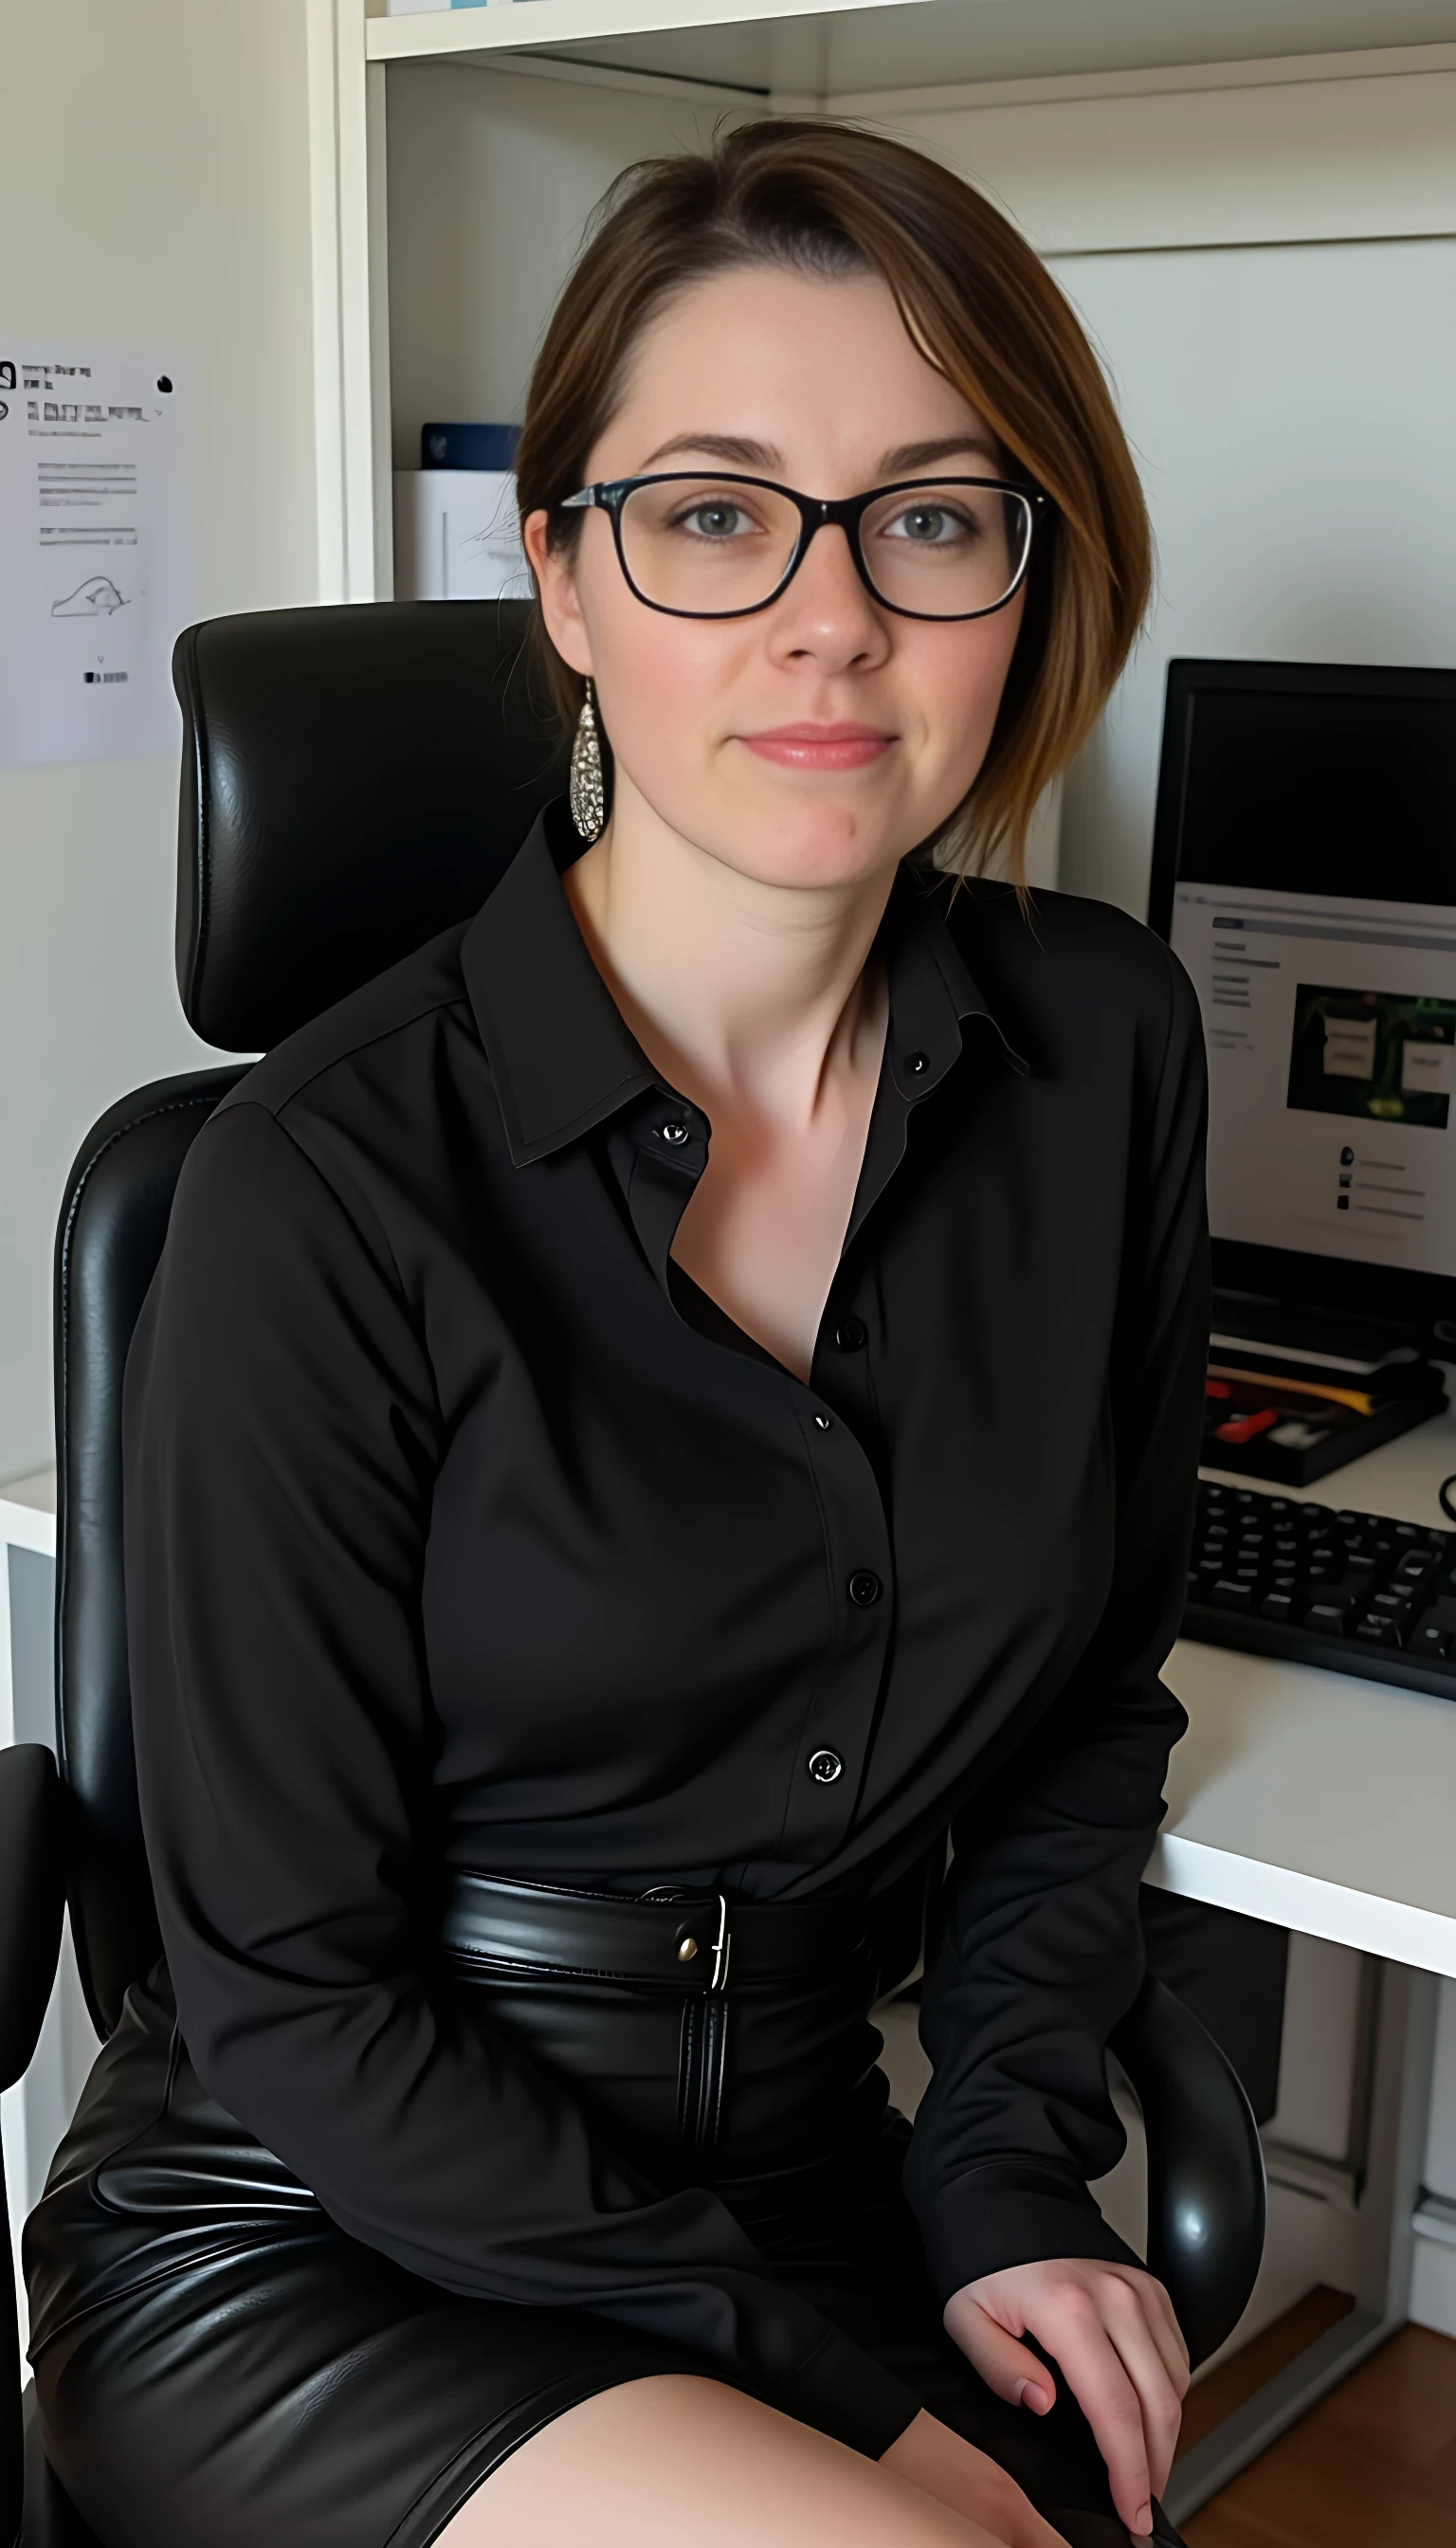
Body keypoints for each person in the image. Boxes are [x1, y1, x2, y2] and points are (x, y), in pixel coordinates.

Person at [25, 120, 1209, 2548]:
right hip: (324, 2223)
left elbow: (1094, 1700)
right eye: (710, 512)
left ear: (1030, 575)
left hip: (803, 2169)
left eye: (934, 514)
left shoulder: (1106, 1057)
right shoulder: (319, 1183)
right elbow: (295, 1998)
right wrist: (843, 2405)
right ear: (562, 579)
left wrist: (1000, 2176)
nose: (830, 618)